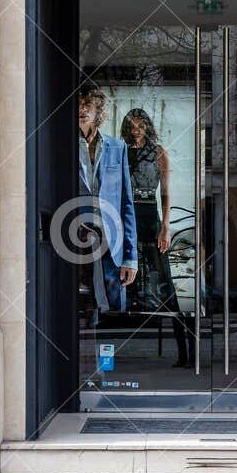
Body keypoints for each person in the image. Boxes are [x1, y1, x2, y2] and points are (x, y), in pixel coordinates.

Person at [121, 108, 192, 368]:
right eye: (132, 126)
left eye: (140, 126)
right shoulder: (121, 151)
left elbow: (166, 193)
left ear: (147, 127)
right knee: (123, 273)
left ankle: (185, 352)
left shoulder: (158, 152)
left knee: (166, 280)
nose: (136, 130)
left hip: (150, 214)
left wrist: (165, 226)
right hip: (126, 214)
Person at [78, 87, 137, 315]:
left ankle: (112, 351)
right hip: (76, 235)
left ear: (97, 110)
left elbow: (126, 204)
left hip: (112, 240)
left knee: (115, 307)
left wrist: (131, 259)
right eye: (79, 105)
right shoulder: (63, 145)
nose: (83, 109)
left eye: (88, 104)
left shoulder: (117, 147)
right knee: (81, 307)